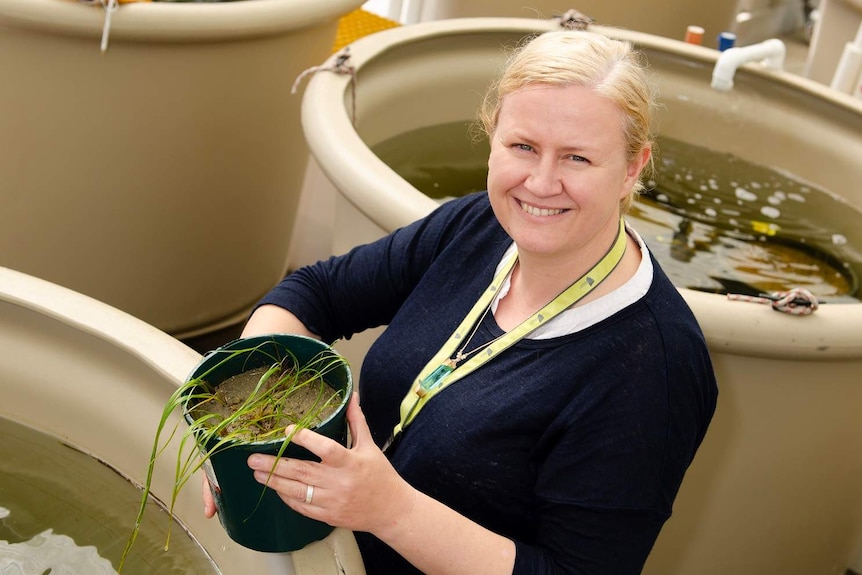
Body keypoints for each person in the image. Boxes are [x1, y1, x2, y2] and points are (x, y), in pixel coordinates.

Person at [203, 29, 717, 574]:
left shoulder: (655, 367)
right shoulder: (478, 225)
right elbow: (314, 294)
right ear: (492, 135)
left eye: (577, 158)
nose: (541, 184)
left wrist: (388, 511)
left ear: (633, 166)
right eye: (523, 147)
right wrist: (243, 434)